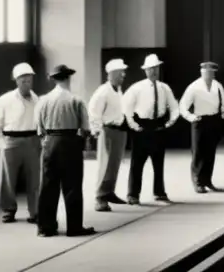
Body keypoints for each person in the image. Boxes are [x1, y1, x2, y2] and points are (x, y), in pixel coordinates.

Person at [34, 64, 95, 238]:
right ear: (68, 78)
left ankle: (45, 228)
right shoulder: (76, 100)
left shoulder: (43, 100)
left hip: (50, 142)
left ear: (54, 79)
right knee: (73, 186)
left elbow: (39, 129)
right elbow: (85, 128)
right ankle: (74, 227)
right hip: (70, 143)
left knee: (48, 186)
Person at [0, 62, 41, 224]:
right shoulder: (4, 100)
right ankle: (8, 210)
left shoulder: (36, 99)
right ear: (16, 81)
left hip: (32, 140)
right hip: (10, 141)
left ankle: (35, 211)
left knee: (35, 178)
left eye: (29, 79)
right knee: (8, 179)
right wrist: (3, 144)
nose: (26, 83)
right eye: (23, 80)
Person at [122, 53, 179, 205]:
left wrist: (169, 123)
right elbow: (126, 108)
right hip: (141, 126)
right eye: (150, 69)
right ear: (145, 71)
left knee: (158, 162)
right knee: (137, 163)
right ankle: (133, 194)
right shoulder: (136, 88)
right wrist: (134, 126)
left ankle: (159, 192)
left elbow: (174, 107)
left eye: (156, 68)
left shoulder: (164, 88)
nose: (153, 72)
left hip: (158, 125)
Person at [180, 61, 224, 193]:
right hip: (200, 120)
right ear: (202, 72)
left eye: (212, 73)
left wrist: (222, 117)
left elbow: (223, 103)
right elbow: (183, 106)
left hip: (213, 120)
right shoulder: (194, 87)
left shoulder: (218, 86)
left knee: (210, 152)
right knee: (198, 152)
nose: (210, 75)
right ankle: (197, 181)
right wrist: (191, 118)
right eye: (207, 72)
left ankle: (207, 180)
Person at [88, 58, 129, 212]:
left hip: (119, 130)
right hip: (107, 130)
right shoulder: (103, 92)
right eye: (120, 73)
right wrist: (97, 130)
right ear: (111, 74)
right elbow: (94, 112)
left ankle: (109, 191)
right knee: (104, 165)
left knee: (114, 164)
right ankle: (100, 197)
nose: (123, 75)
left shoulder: (117, 90)